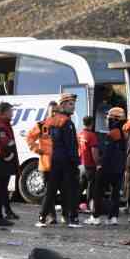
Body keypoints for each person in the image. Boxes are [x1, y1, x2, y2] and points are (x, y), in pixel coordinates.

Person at [33, 94, 80, 228]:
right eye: (71, 104)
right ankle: (72, 219)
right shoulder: (66, 122)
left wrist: (39, 150)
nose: (73, 106)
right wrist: (76, 162)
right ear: (63, 105)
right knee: (70, 190)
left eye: (73, 103)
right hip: (65, 162)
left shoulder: (50, 121)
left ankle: (42, 218)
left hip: (54, 161)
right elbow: (70, 145)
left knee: (51, 190)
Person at [26, 101, 57, 225]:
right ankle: (50, 215)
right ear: (48, 111)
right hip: (45, 164)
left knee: (55, 191)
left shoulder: (62, 125)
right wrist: (37, 149)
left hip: (58, 163)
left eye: (56, 110)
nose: (54, 112)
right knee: (49, 191)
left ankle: (58, 215)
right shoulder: (41, 125)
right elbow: (29, 138)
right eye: (52, 110)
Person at [95, 107, 127, 225]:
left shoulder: (112, 134)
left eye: (109, 119)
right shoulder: (124, 133)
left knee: (98, 191)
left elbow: (107, 153)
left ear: (115, 120)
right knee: (115, 194)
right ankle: (113, 217)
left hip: (108, 168)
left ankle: (96, 216)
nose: (107, 121)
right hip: (119, 168)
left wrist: (100, 165)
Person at [77, 115, 99, 223]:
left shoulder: (80, 134)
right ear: (92, 124)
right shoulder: (92, 135)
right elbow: (94, 152)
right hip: (90, 165)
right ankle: (90, 207)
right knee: (91, 187)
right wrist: (98, 163)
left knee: (80, 186)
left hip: (82, 165)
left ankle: (74, 206)